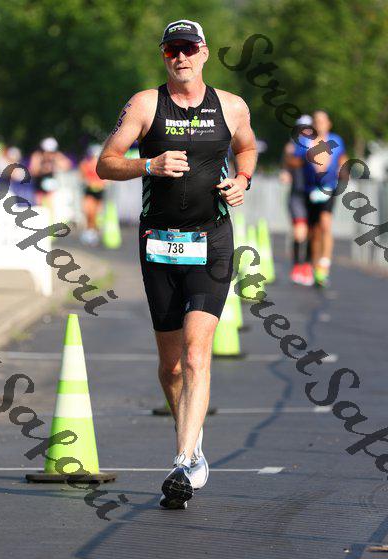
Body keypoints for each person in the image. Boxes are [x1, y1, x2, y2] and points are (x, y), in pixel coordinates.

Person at [97, 19, 257, 509]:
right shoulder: (146, 104)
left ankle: (185, 461)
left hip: (213, 241)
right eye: (172, 50)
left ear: (204, 52)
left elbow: (247, 147)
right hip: (159, 244)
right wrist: (149, 165)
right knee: (170, 367)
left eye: (188, 48)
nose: (180, 57)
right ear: (164, 55)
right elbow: (105, 163)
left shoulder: (231, 106)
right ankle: (193, 440)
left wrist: (243, 180)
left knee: (195, 353)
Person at [290, 110, 348, 287]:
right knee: (313, 231)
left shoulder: (336, 140)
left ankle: (324, 264)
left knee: (325, 224)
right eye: (316, 121)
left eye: (322, 121)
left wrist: (344, 172)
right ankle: (314, 266)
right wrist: (289, 164)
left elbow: (343, 160)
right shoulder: (305, 142)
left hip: (328, 189)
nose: (319, 124)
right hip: (309, 190)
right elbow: (294, 161)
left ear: (329, 124)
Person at [281, 115, 314, 286]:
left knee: (312, 232)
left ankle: (307, 265)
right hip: (297, 194)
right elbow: (287, 165)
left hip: (313, 195)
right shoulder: (292, 147)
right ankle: (297, 266)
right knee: (299, 231)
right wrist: (286, 172)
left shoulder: (318, 145)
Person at [29, 137, 72, 207]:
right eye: (47, 152)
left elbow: (67, 165)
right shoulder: (37, 156)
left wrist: (56, 164)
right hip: (39, 187)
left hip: (52, 187)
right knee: (40, 206)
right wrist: (43, 169)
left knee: (52, 205)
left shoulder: (57, 156)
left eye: (52, 152)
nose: (49, 155)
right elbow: (33, 171)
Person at [79, 144, 107, 246]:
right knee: (89, 212)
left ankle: (93, 233)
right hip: (89, 191)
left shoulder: (103, 165)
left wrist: (101, 183)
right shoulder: (85, 164)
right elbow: (82, 177)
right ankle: (89, 232)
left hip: (99, 191)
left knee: (96, 214)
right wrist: (89, 182)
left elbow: (107, 179)